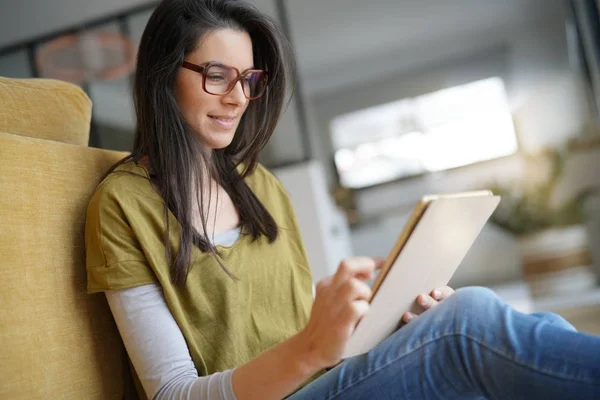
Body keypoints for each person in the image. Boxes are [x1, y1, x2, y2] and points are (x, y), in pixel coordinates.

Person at [84, 0, 600, 398]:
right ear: (162, 75)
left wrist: (375, 320)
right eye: (217, 76)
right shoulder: (123, 205)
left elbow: (285, 320)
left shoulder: (258, 184)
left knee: (505, 321)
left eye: (249, 79)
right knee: (470, 326)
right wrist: (311, 349)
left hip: (324, 379)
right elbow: (172, 393)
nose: (239, 97)